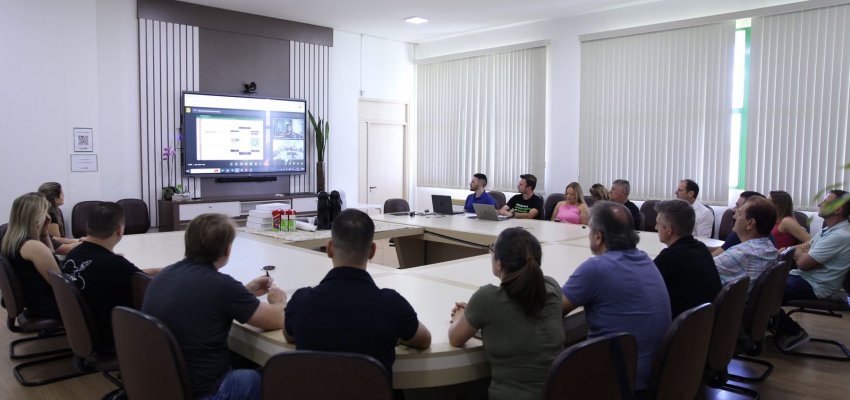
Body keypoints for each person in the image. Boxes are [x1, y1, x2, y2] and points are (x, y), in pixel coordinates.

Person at [143, 213, 286, 400]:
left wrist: (245, 292)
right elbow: (276, 320)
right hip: (207, 391)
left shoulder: (165, 274)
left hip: (166, 385)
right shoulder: (221, 286)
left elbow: (204, 301)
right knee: (283, 376)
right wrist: (279, 301)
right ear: (227, 249)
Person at [284, 209, 431, 375]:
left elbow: (289, 334)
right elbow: (424, 339)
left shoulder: (301, 301)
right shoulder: (391, 304)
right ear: (372, 251)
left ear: (329, 248)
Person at [561, 201, 670, 393]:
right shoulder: (645, 259)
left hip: (618, 380)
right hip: (653, 376)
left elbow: (553, 309)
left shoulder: (596, 269)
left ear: (597, 236)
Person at [448, 228, 565, 400]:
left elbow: (455, 338)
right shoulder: (552, 288)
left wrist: (460, 316)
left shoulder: (487, 298)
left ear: (499, 264)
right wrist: (475, 312)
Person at [60, 202, 160, 354]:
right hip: (113, 337)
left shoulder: (73, 255)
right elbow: (143, 282)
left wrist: (159, 270)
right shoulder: (115, 264)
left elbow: (135, 275)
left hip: (83, 331)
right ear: (120, 230)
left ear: (88, 227)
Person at [773, 190, 850, 351]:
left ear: (838, 209)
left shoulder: (840, 235)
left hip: (815, 285)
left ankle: (792, 332)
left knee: (762, 292)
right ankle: (774, 330)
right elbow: (802, 249)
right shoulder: (828, 230)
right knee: (759, 286)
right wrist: (795, 251)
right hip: (804, 278)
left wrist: (794, 253)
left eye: (826, 201)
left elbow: (802, 263)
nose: (820, 204)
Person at [652, 199, 722, 318]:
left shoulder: (670, 257)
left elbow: (645, 289)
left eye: (658, 224)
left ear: (669, 230)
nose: (655, 227)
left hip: (683, 328)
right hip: (705, 322)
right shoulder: (701, 248)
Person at [0, 193, 62, 319]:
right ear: (37, 217)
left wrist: (44, 234)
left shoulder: (10, 240)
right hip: (50, 305)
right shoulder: (34, 247)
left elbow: (50, 258)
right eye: (45, 212)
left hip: (33, 301)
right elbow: (60, 285)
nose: (48, 216)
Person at [713, 196, 777, 294]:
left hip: (723, 306)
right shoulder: (769, 248)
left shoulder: (741, 253)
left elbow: (702, 268)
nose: (734, 216)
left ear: (750, 223)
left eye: (739, 214)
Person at [709, 191, 766, 256]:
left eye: (737, 206)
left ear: (750, 223)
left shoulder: (741, 233)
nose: (733, 210)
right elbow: (725, 248)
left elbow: (712, 259)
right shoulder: (766, 238)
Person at [37, 182, 82, 255]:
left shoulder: (51, 210)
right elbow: (56, 242)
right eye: (62, 194)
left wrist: (78, 240)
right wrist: (82, 242)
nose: (64, 195)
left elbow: (54, 239)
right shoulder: (50, 213)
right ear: (56, 199)